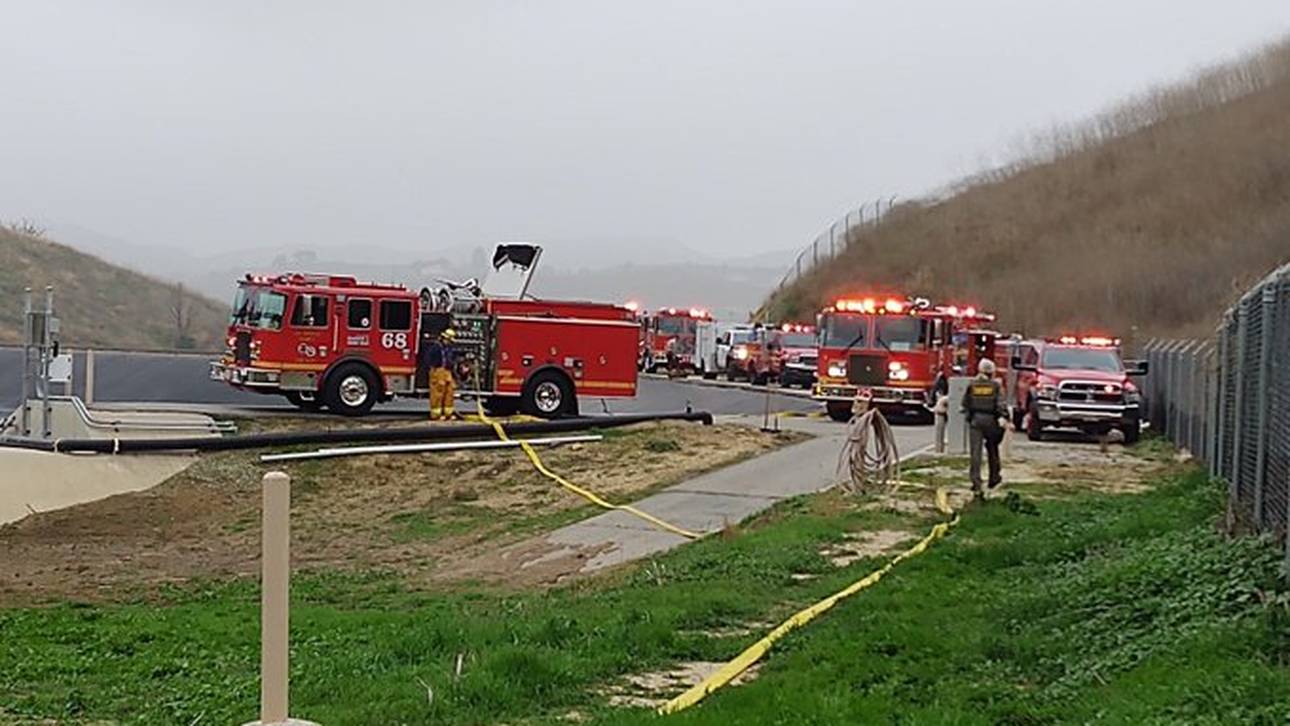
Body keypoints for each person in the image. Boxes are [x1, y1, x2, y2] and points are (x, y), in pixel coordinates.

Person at [960, 358, 1006, 497]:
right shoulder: (995, 386)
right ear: (992, 372)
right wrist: (1004, 417)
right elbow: (1000, 404)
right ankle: (994, 477)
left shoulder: (972, 385)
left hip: (975, 421)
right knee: (992, 449)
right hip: (991, 420)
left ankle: (976, 482)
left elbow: (965, 403)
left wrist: (969, 416)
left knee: (975, 453)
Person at [425, 328, 458, 420]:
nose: (450, 342)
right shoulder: (435, 348)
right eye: (449, 340)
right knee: (438, 393)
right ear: (444, 338)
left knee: (449, 392)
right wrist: (434, 369)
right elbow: (428, 359)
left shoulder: (448, 348)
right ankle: (436, 414)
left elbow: (450, 359)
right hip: (438, 371)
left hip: (447, 371)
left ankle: (448, 414)